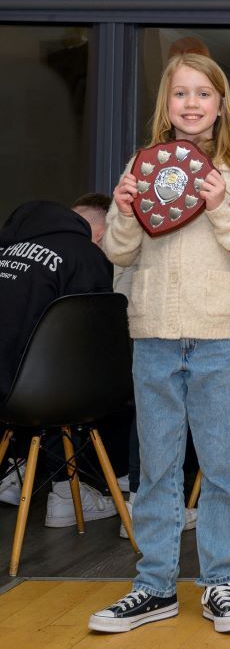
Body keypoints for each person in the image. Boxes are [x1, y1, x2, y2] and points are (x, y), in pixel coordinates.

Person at [90, 53, 230, 633]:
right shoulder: (142, 166)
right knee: (157, 468)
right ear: (165, 105)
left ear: (221, 103)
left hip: (219, 337)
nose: (192, 103)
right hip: (152, 337)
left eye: (204, 93)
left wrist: (222, 208)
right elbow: (119, 252)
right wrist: (122, 216)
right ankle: (154, 587)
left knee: (222, 467)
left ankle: (220, 582)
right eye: (180, 94)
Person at [0, 199, 117, 519]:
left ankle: (18, 471)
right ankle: (71, 492)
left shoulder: (8, 249)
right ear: (101, 234)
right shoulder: (86, 257)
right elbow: (96, 339)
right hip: (45, 396)